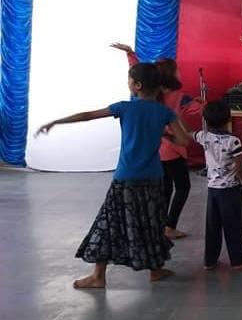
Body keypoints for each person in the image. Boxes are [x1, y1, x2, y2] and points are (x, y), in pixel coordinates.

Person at [36, 62, 191, 288]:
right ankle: (155, 270)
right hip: (153, 178)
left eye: (129, 79)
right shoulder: (164, 112)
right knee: (151, 222)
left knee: (109, 224)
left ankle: (99, 275)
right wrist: (165, 136)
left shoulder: (125, 108)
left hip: (126, 178)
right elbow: (184, 140)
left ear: (137, 85)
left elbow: (88, 115)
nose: (127, 83)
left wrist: (56, 122)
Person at [111, 43, 191, 240]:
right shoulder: (176, 95)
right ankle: (168, 226)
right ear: (172, 74)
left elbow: (140, 73)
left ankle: (159, 225)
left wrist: (131, 55)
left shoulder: (152, 95)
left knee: (166, 188)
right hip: (173, 148)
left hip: (158, 150)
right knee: (182, 186)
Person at [194, 101, 242, 271]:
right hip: (230, 191)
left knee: (212, 226)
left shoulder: (204, 137)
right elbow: (240, 168)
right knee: (234, 225)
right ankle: (237, 261)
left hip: (212, 191)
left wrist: (168, 134)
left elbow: (187, 135)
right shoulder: (233, 141)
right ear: (229, 119)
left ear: (205, 120)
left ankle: (210, 261)